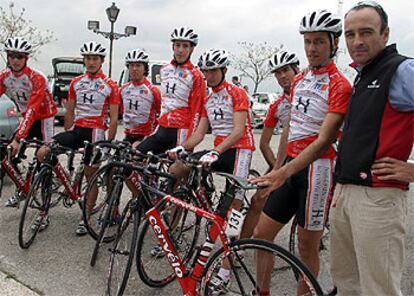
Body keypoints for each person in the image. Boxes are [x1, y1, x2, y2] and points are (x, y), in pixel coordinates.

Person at [251, 9, 352, 295]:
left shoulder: (341, 85)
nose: (311, 48)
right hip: (291, 167)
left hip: (318, 170)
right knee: (261, 235)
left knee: (307, 247)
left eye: (319, 41)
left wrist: (284, 171)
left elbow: (323, 140)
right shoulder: (298, 81)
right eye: (307, 41)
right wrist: (277, 168)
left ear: (333, 44)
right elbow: (291, 129)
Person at [330, 1, 414, 295]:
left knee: (379, 289)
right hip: (346, 192)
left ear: (386, 33)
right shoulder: (364, 74)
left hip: (378, 198)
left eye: (366, 32)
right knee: (346, 283)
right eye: (350, 34)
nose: (357, 41)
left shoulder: (403, 70)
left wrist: (413, 170)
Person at [168, 49, 254, 294]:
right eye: (206, 71)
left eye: (213, 70)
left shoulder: (237, 93)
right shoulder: (208, 98)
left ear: (224, 71)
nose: (209, 75)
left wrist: (217, 151)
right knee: (183, 166)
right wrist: (182, 147)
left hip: (240, 149)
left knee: (233, 209)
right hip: (220, 149)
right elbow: (199, 132)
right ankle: (205, 206)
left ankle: (226, 271)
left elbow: (238, 130)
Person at [37, 41, 120, 234]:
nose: (91, 62)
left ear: (102, 61)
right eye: (88, 58)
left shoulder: (110, 85)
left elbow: (114, 119)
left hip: (96, 134)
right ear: (84, 60)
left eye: (95, 59)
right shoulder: (76, 82)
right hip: (77, 130)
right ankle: (52, 191)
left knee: (91, 176)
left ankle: (86, 217)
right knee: (43, 152)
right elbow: (70, 112)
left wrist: (107, 145)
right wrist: (69, 139)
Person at [239, 50, 299, 240]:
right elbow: (264, 143)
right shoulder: (277, 106)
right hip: (284, 160)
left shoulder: (310, 95)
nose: (282, 76)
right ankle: (241, 245)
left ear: (296, 69)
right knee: (258, 200)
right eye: (277, 73)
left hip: (312, 159)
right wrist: (276, 167)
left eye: (286, 71)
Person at [0, 37, 57, 207]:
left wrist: (18, 138)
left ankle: (46, 197)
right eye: (12, 56)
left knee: (43, 156)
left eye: (20, 56)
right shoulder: (4, 76)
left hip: (44, 117)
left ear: (26, 58)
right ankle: (23, 188)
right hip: (27, 116)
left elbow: (33, 108)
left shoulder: (36, 78)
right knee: (8, 153)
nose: (15, 60)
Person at [136, 26, 206, 155]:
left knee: (175, 170)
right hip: (162, 127)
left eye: (185, 46)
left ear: (192, 49)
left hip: (181, 130)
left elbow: (197, 111)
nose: (180, 50)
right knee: (136, 155)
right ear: (172, 46)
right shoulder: (164, 70)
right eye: (177, 45)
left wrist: (189, 143)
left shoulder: (196, 75)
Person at [120, 49, 161, 146]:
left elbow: (161, 115)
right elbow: (122, 111)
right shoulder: (123, 90)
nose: (134, 69)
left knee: (134, 156)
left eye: (138, 65)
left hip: (146, 135)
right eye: (131, 65)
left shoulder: (153, 90)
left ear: (145, 68)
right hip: (128, 135)